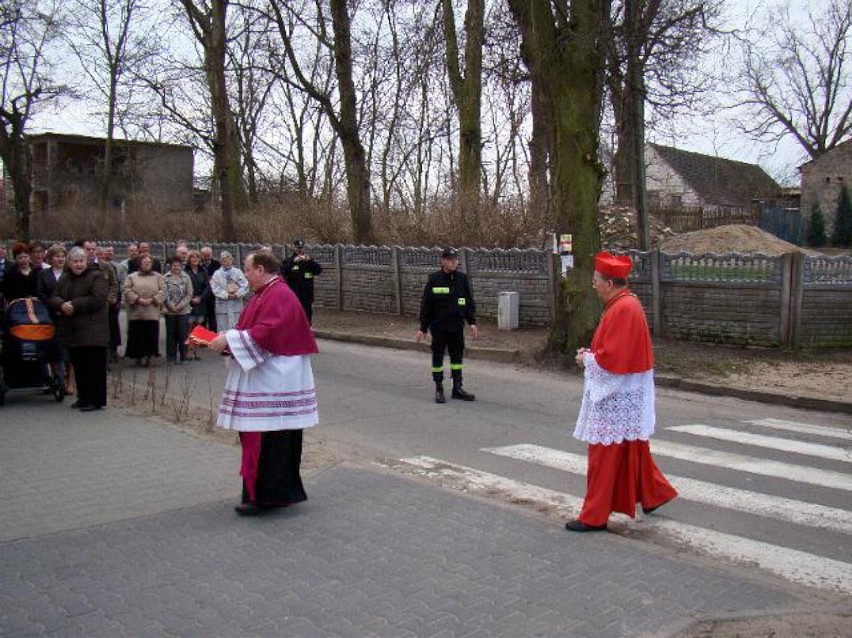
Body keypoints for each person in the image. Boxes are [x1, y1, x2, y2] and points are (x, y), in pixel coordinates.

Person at [565, 252, 678, 533]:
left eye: (596, 280)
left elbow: (612, 360)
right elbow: (616, 351)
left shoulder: (623, 308)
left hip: (617, 392)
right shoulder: (624, 303)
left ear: (610, 283)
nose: (594, 285)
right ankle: (654, 494)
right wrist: (593, 354)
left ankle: (594, 515)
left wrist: (586, 359)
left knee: (602, 454)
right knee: (633, 445)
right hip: (626, 389)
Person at [209, 251, 319, 516]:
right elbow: (250, 328)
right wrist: (228, 338)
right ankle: (266, 495)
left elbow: (268, 331)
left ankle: (267, 497)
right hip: (268, 380)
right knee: (265, 440)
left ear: (260, 269)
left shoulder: (279, 294)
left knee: (269, 441)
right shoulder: (266, 293)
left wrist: (230, 340)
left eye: (247, 269)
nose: (245, 274)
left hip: (274, 383)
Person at [49, 246, 109, 412]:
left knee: (94, 367)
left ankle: (96, 400)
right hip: (73, 331)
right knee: (79, 365)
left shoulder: (97, 276)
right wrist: (61, 304)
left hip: (93, 331)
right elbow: (54, 296)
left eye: (81, 261)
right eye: (75, 261)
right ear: (69, 263)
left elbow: (98, 299)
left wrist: (73, 305)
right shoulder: (65, 278)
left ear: (86, 261)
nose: (78, 264)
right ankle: (83, 397)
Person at [416, 247, 479, 404]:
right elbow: (426, 305)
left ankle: (457, 387)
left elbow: (468, 302)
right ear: (443, 261)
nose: (454, 262)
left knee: (457, 357)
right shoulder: (434, 279)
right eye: (451, 259)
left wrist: (472, 322)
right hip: (439, 327)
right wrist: (423, 328)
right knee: (437, 358)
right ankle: (439, 389)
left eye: (456, 259)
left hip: (456, 326)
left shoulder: (462, 279)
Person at [123, 254, 165, 366]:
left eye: (149, 263)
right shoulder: (132, 277)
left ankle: (150, 356)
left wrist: (153, 299)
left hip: (152, 310)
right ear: (140, 264)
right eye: (144, 262)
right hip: (137, 311)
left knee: (151, 335)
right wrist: (138, 299)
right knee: (137, 335)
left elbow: (163, 290)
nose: (147, 264)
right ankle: (138, 356)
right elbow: (127, 290)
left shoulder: (158, 277)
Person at [282, 239, 322, 323]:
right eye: (298, 248)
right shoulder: (289, 261)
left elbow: (318, 271)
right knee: (294, 314)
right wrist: (293, 262)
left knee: (307, 315)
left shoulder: (308, 261)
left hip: (307, 294)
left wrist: (310, 261)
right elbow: (283, 271)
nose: (300, 250)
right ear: (294, 248)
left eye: (301, 248)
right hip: (294, 294)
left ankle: (308, 329)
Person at [163, 255, 193, 365]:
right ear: (170, 266)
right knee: (171, 335)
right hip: (170, 311)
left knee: (183, 334)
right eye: (174, 265)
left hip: (183, 310)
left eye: (179, 265)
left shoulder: (186, 277)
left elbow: (189, 293)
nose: (177, 267)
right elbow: (164, 294)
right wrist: (171, 306)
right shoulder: (165, 277)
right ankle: (171, 357)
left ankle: (183, 356)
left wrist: (181, 305)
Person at [209, 251, 248, 332]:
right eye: (223, 260)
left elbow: (245, 286)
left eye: (228, 260)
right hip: (222, 307)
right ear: (221, 262)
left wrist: (237, 294)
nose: (226, 262)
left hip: (236, 306)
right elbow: (215, 289)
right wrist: (227, 295)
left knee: (236, 328)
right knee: (223, 330)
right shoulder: (217, 274)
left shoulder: (238, 272)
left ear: (231, 260)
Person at [185, 250, 209, 359]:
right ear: (189, 259)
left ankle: (195, 350)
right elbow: (185, 288)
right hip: (189, 302)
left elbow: (207, 287)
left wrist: (201, 297)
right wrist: (192, 298)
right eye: (192, 257)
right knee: (189, 327)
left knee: (198, 327)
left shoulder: (203, 271)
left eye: (197, 258)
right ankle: (188, 350)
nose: (195, 260)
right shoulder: (185, 272)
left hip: (201, 302)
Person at [200, 245, 220, 331]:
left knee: (213, 317)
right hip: (202, 294)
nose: (207, 257)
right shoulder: (199, 264)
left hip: (213, 294)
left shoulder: (217, 264)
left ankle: (212, 337)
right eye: (205, 255)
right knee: (202, 319)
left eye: (208, 255)